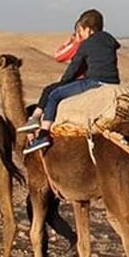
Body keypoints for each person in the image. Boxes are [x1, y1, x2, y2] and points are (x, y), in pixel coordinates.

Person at [22, 9, 120, 154]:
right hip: (113, 82)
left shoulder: (86, 44)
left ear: (88, 29)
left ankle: (42, 135)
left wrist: (63, 83)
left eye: (81, 31)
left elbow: (74, 68)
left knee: (54, 95)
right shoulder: (110, 41)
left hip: (94, 82)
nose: (81, 34)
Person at [17, 21, 86, 133]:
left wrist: (69, 43)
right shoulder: (99, 44)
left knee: (49, 91)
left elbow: (59, 56)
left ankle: (36, 120)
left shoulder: (80, 45)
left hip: (79, 80)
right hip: (91, 79)